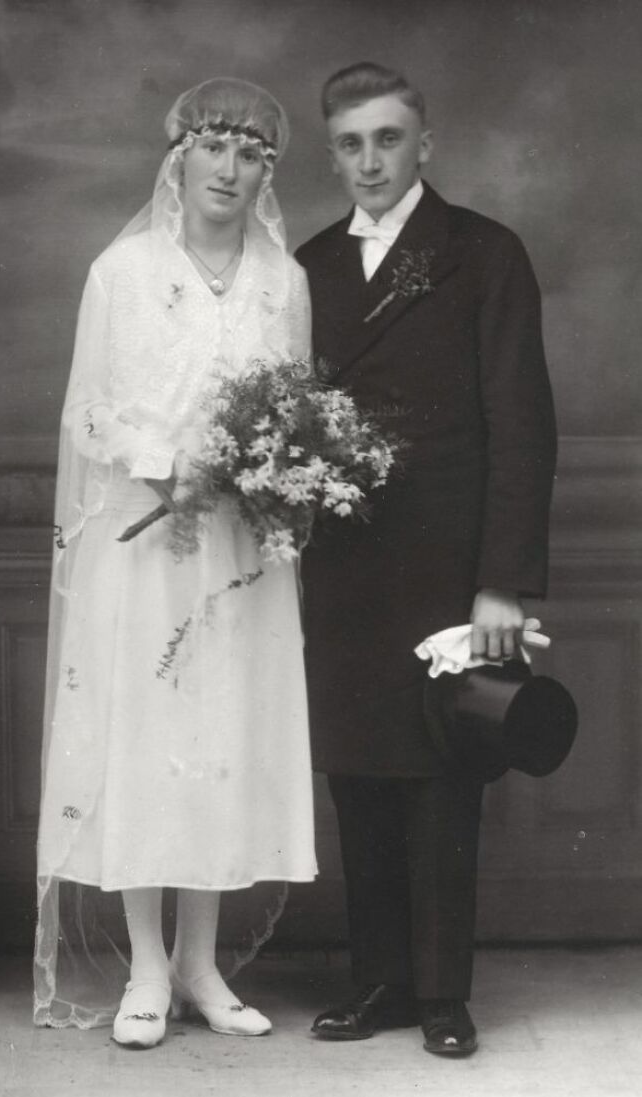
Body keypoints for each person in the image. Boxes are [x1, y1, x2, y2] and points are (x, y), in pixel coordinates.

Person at [34, 78, 316, 1048]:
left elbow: (295, 412)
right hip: (147, 541)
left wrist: (259, 472)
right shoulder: (122, 271)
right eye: (213, 147)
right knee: (148, 740)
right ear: (180, 157)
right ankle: (147, 967)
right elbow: (87, 410)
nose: (229, 170)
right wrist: (167, 464)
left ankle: (202, 962)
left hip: (238, 545)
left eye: (251, 154)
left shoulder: (283, 281)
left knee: (222, 737)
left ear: (266, 173)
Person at [296, 62, 557, 1057]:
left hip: (449, 563)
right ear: (333, 155)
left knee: (442, 772)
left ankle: (444, 992)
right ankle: (380, 981)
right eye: (351, 144)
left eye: (388, 139)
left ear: (424, 143)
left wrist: (501, 580)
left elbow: (520, 423)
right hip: (344, 565)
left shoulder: (483, 252)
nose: (370, 161)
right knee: (360, 772)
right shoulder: (309, 264)